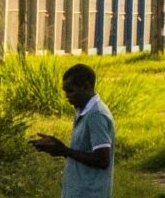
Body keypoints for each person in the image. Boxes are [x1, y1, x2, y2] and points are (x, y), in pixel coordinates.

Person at [31, 63, 114, 197]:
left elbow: (102, 160)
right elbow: (83, 152)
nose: (66, 96)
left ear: (85, 87)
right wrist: (58, 148)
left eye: (70, 91)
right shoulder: (82, 111)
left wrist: (64, 150)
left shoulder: (96, 115)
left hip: (90, 193)